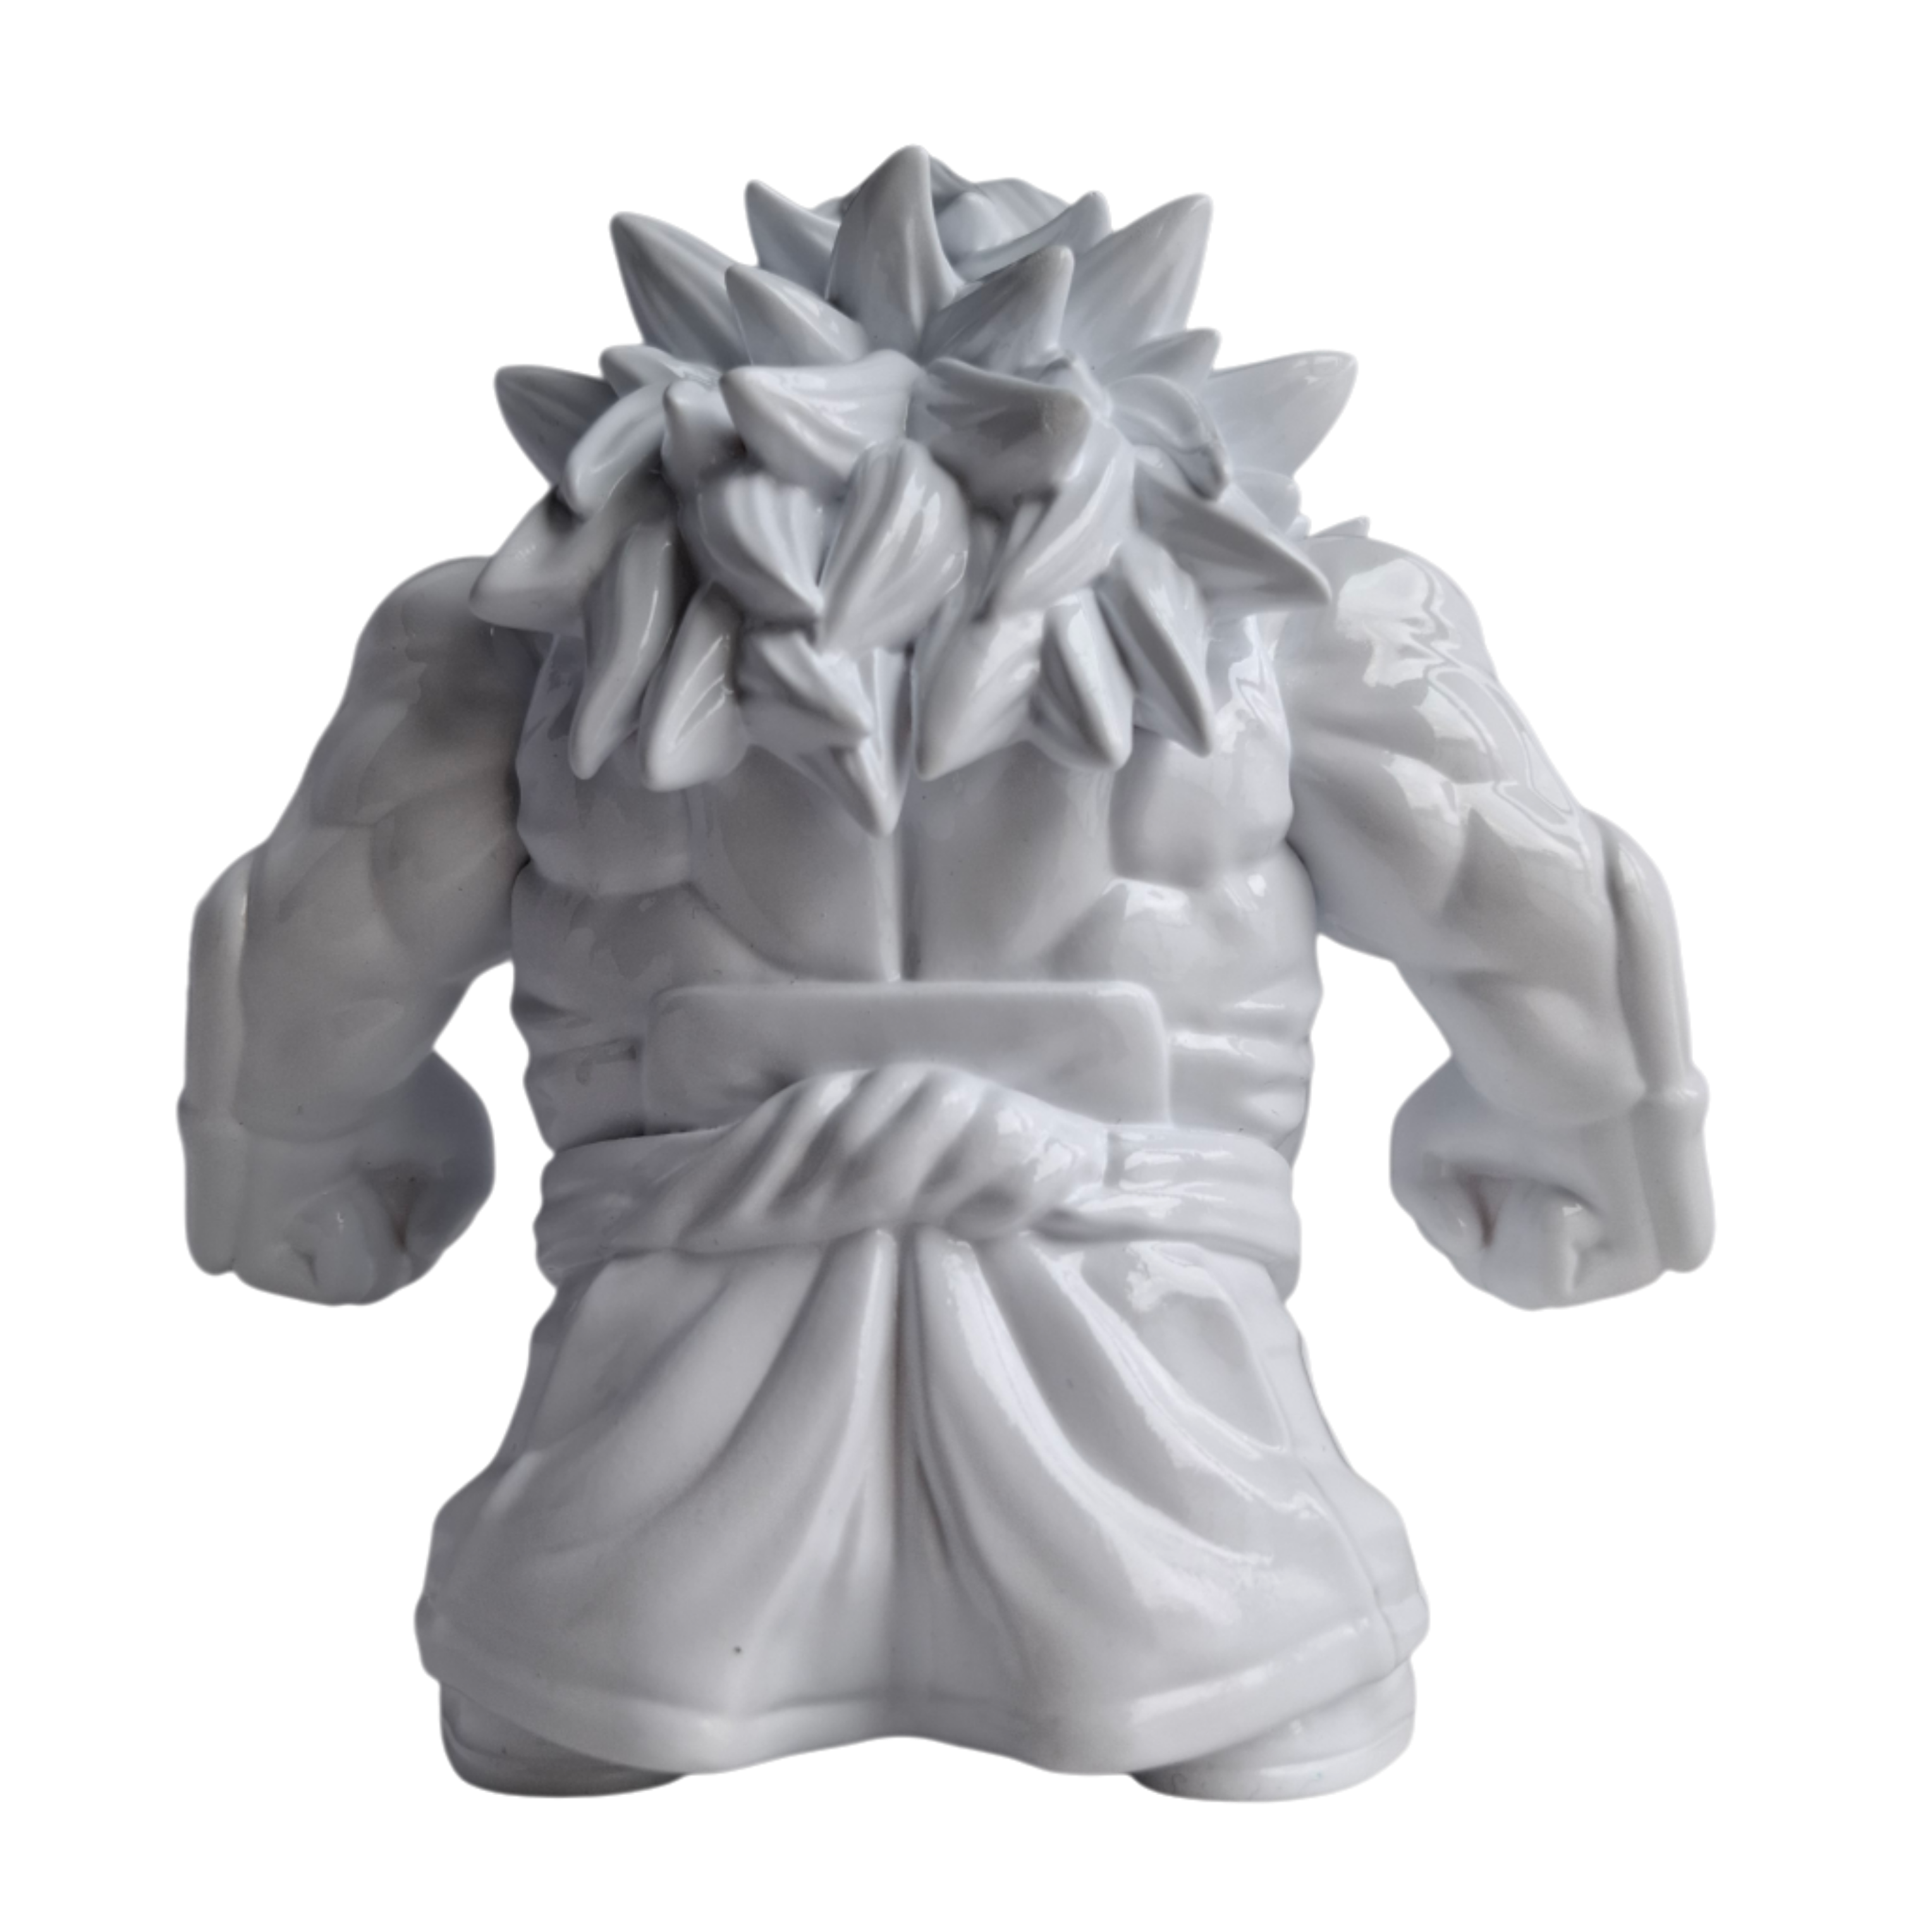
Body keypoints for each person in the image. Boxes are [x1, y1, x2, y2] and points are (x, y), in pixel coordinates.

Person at [177, 147, 1714, 1804]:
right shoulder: (1305, 626)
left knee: (568, 1696)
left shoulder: (521, 646)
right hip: (1200, 1534)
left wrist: (302, 1178)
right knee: (1267, 1696)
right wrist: (1587, 1163)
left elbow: (320, 957)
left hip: (622, 1557)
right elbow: (1537, 915)